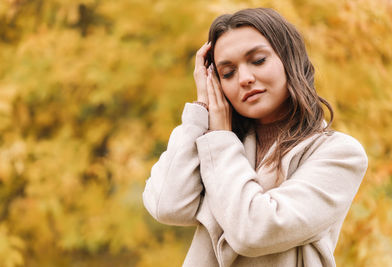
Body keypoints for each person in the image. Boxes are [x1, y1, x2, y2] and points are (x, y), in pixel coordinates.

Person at [142, 7, 368, 267]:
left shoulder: (339, 154)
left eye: (258, 60)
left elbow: (254, 231)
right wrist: (202, 109)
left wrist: (220, 140)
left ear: (289, 60)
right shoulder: (218, 145)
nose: (245, 79)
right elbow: (167, 205)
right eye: (227, 73)